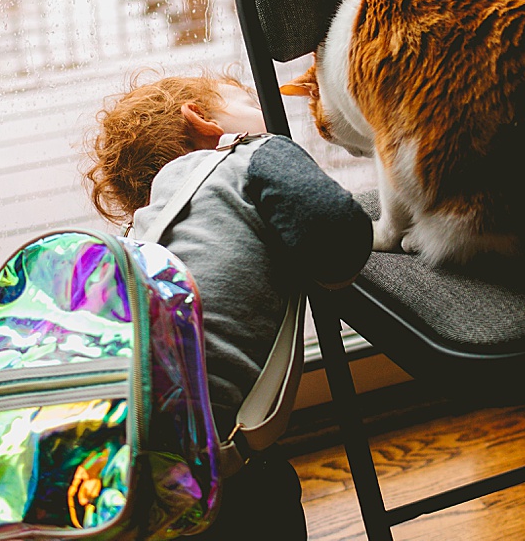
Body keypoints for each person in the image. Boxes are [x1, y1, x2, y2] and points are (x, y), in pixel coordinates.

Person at [84, 70, 372, 540]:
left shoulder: (140, 234)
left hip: (108, 461)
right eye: (244, 98)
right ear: (200, 120)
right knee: (267, 495)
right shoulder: (250, 151)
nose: (266, 110)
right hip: (213, 461)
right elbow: (341, 244)